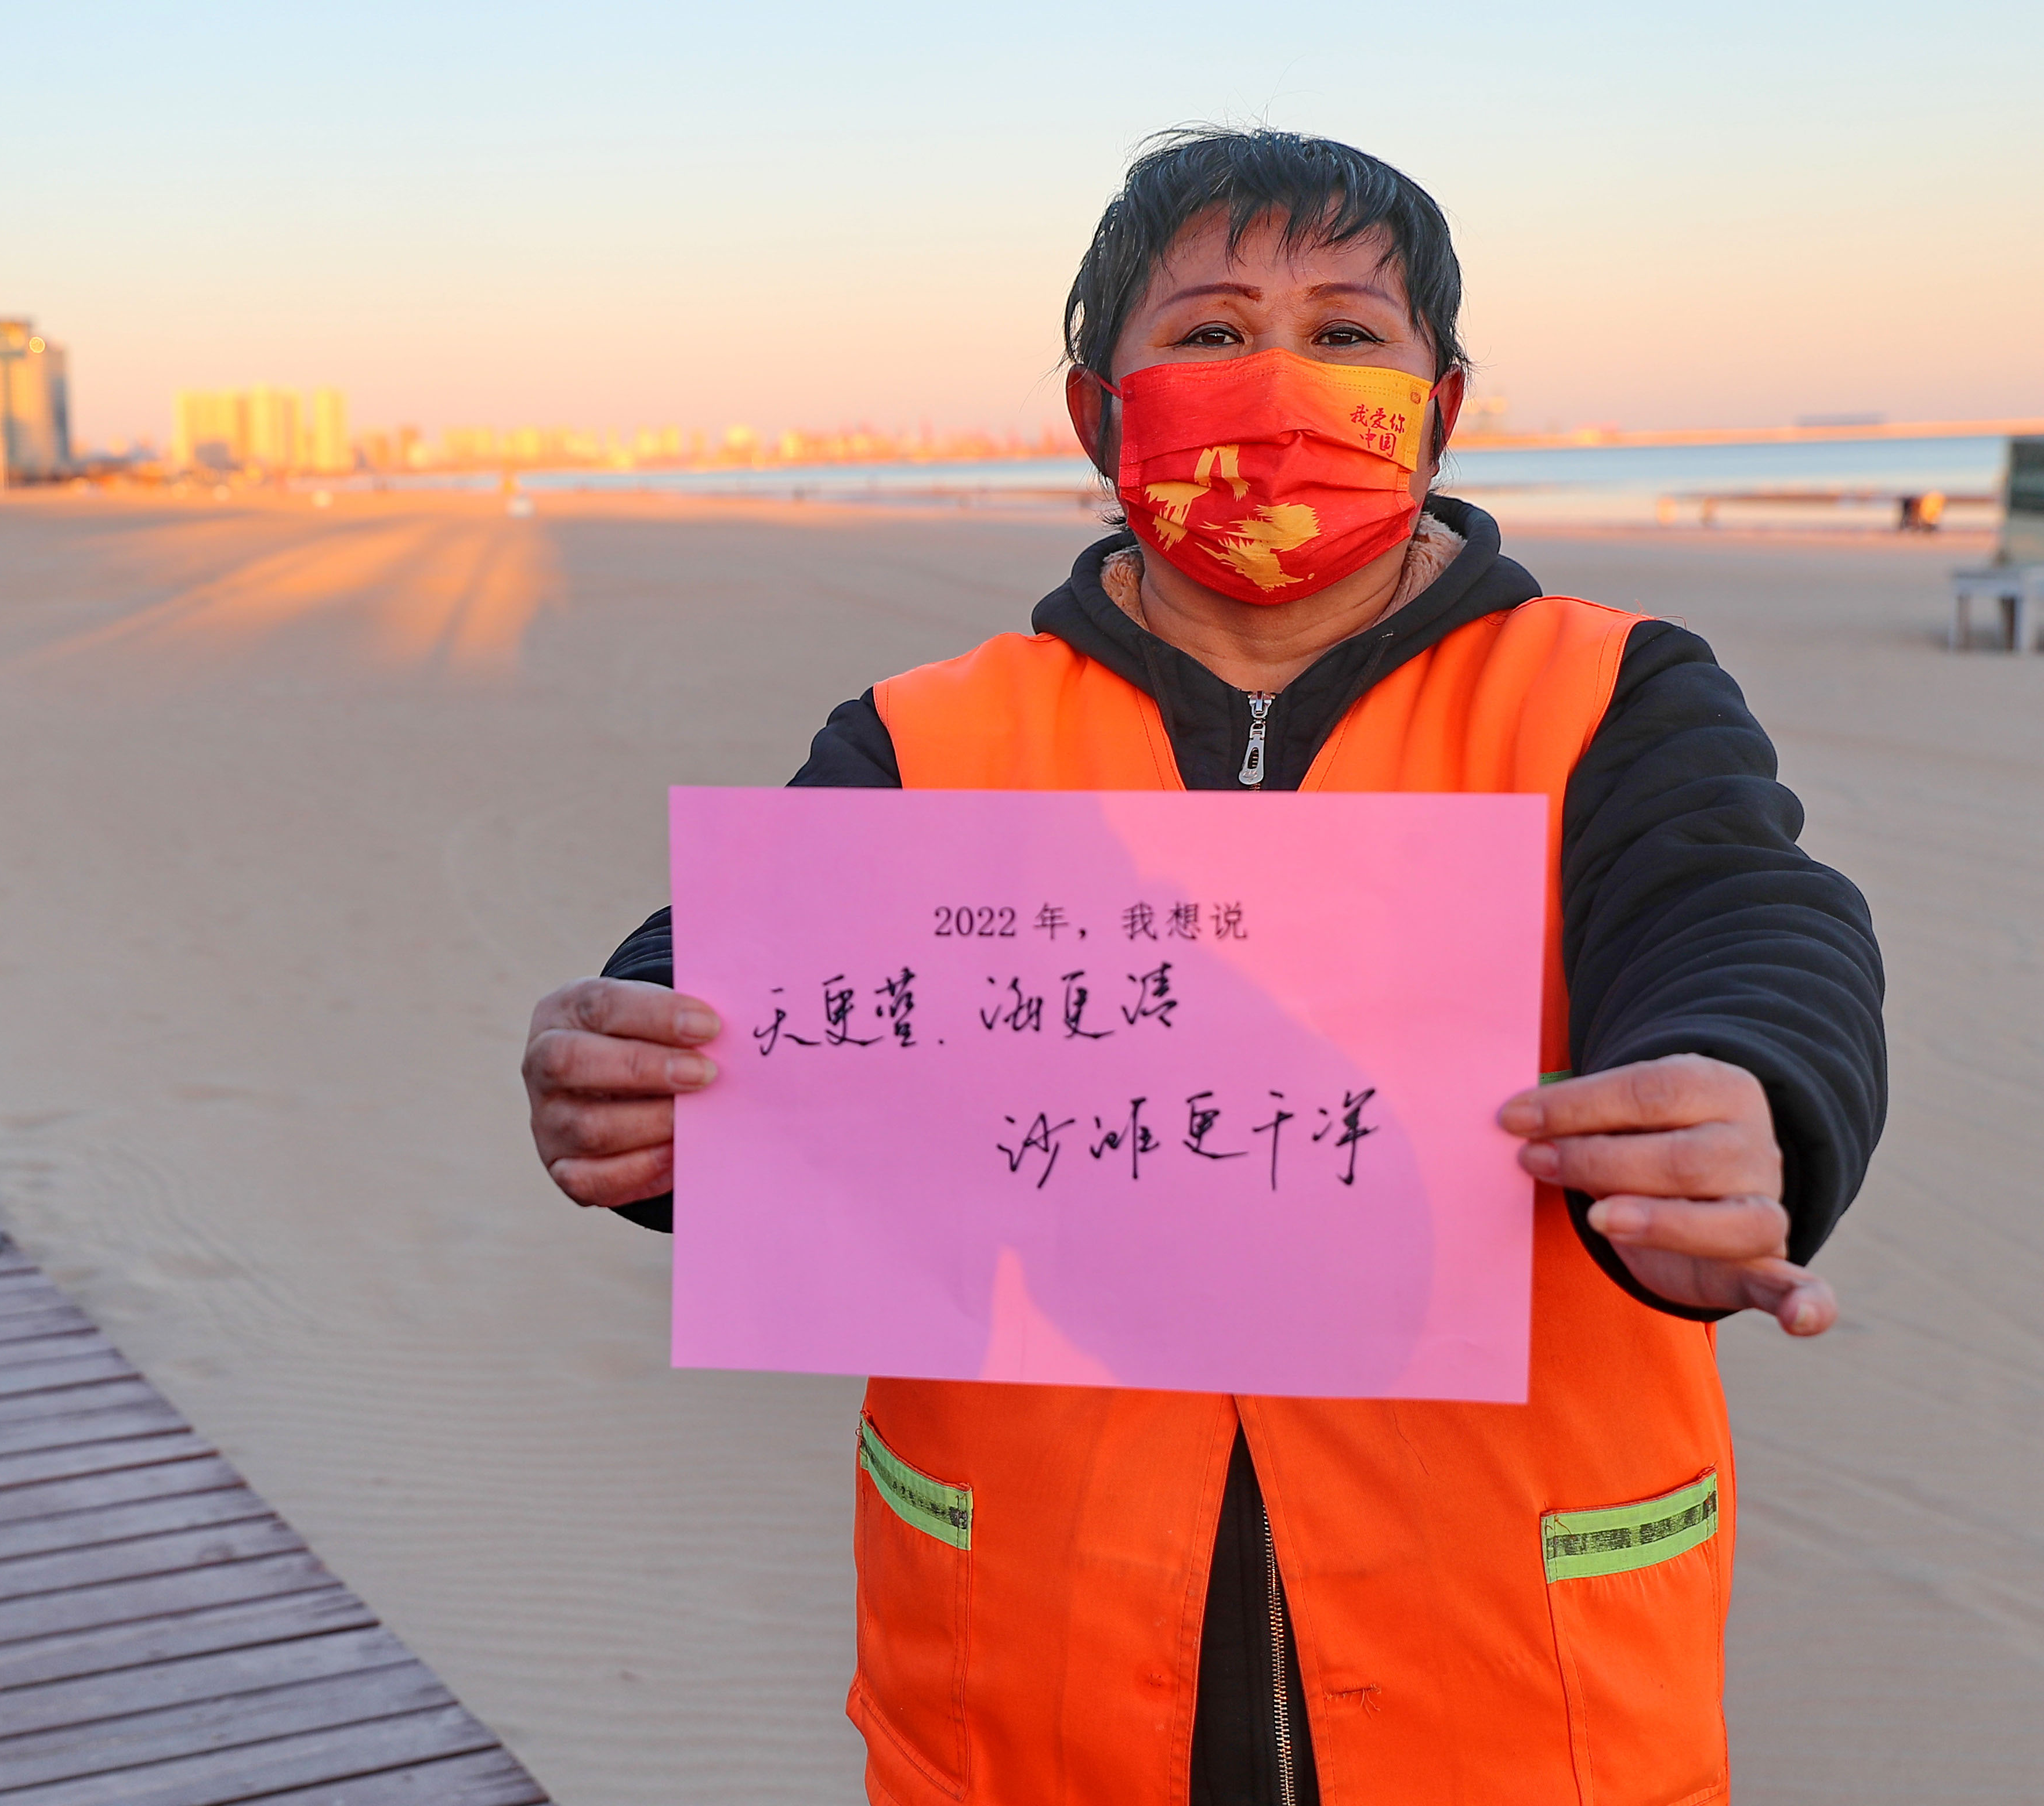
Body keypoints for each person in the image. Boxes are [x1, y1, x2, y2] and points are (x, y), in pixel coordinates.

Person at [519, 129, 1884, 1805]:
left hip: (1510, 1671)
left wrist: (1757, 1088)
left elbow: (1741, 914)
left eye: (1349, 333)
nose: (1284, 379)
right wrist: (637, 1087)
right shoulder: (923, 736)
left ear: (1441, 404)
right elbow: (743, 989)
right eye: (1215, 331)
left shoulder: (1611, 696)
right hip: (1026, 1676)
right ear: (1100, 415)